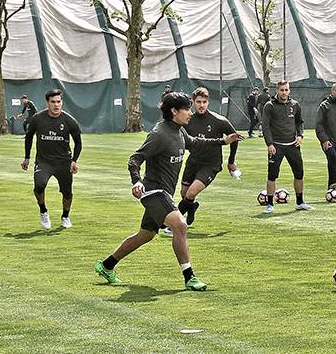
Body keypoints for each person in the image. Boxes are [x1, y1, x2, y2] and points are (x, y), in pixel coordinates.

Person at [94, 92, 240, 290]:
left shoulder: (179, 131)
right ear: (174, 111)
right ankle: (189, 277)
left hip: (165, 193)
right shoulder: (159, 134)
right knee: (180, 225)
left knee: (144, 236)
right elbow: (135, 159)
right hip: (154, 192)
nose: (190, 113)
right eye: (187, 109)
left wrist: (223, 141)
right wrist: (137, 181)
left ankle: (106, 265)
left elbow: (195, 143)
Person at [177, 87, 240, 227]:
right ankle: (192, 207)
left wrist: (231, 161)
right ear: (193, 102)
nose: (201, 105)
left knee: (191, 193)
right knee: (184, 193)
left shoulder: (219, 120)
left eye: (204, 102)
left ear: (208, 102)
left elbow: (234, 138)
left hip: (211, 164)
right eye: (198, 102)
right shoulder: (188, 120)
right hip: (193, 162)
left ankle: (174, 223)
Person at [21, 89, 82, 230]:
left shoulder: (69, 121)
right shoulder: (38, 118)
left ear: (62, 102)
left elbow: (78, 142)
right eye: (53, 102)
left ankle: (65, 216)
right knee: (39, 186)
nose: (56, 105)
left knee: (67, 193)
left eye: (58, 102)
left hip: (63, 163)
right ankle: (43, 211)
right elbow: (29, 137)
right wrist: (27, 157)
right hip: (44, 161)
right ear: (47, 102)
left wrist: (74, 160)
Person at [261, 80, 313, 213]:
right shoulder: (269, 106)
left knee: (299, 173)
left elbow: (299, 122)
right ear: (277, 91)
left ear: (289, 90)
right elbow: (265, 127)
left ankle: (300, 202)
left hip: (292, 145)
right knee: (272, 175)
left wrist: (300, 135)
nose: (284, 92)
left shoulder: (295, 105)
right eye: (282, 90)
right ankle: (270, 204)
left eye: (286, 90)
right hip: (276, 146)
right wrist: (269, 144)